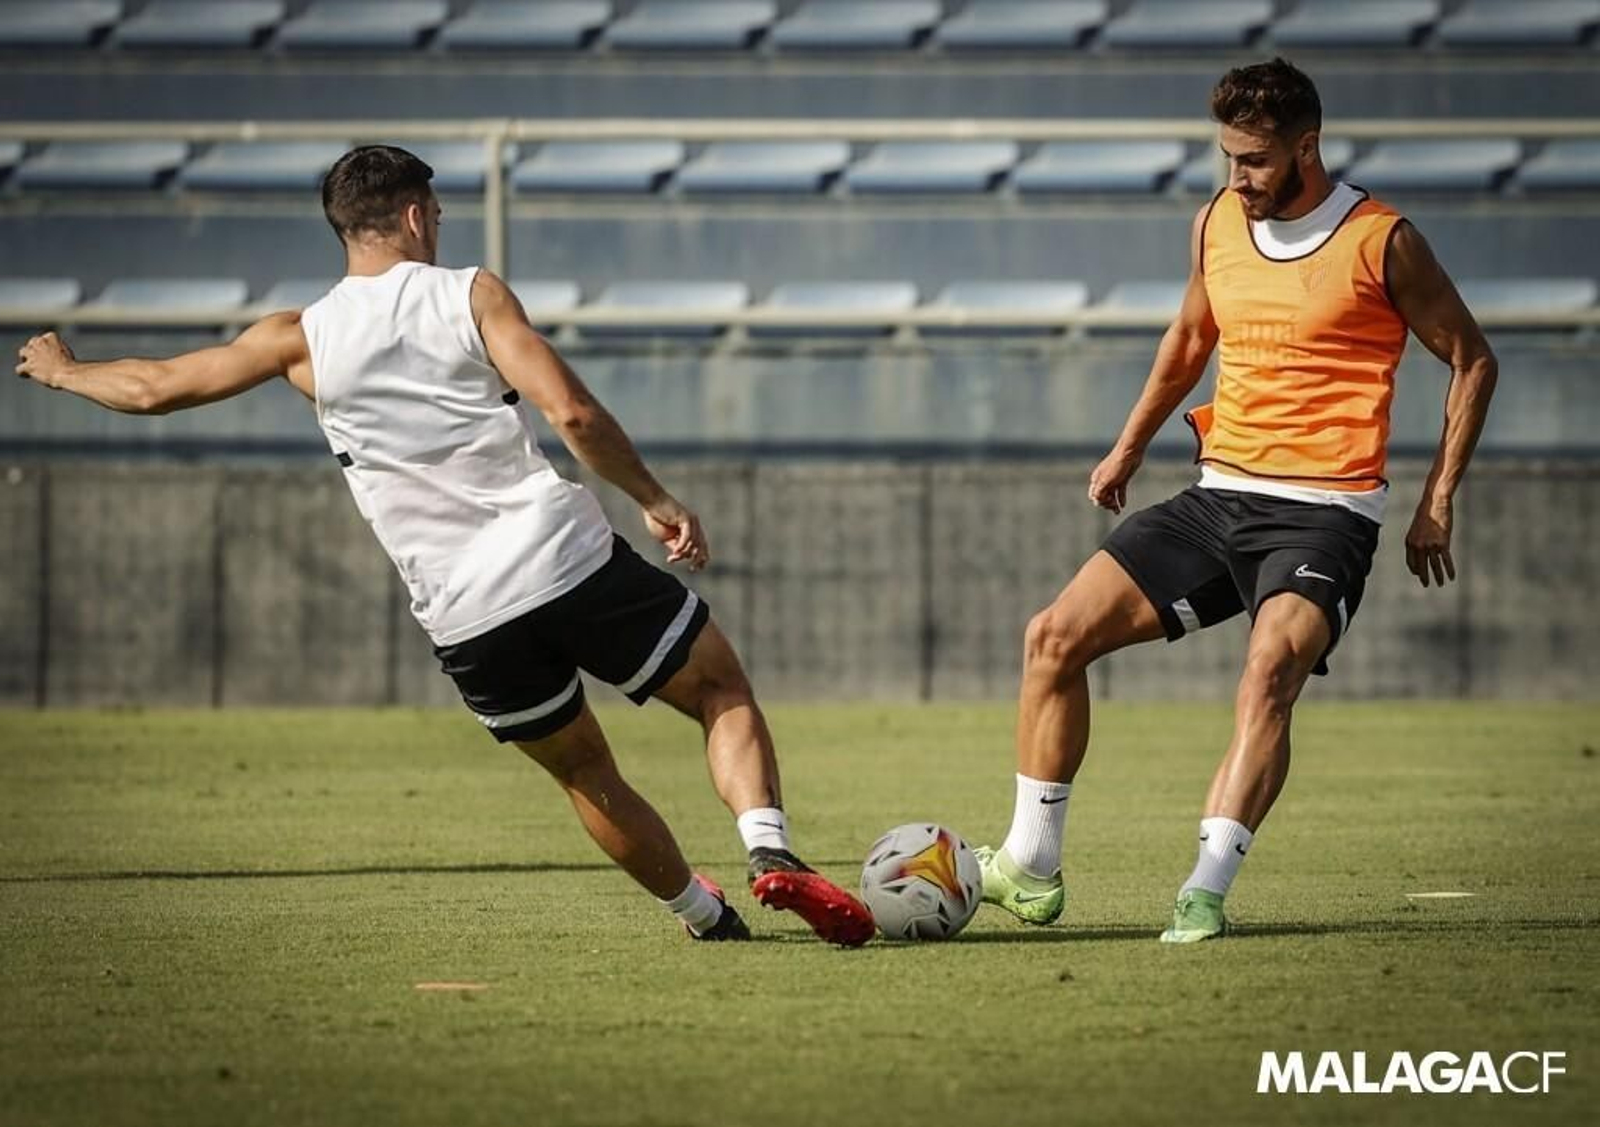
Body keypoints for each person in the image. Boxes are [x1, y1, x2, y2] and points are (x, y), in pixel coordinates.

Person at [15, 144, 874, 948]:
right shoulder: (470, 294)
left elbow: (157, 388)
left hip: (464, 615)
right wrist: (654, 498)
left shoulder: (299, 340)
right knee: (718, 684)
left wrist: (63, 370)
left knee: (585, 772)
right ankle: (769, 850)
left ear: (345, 228)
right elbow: (569, 412)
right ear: (419, 216)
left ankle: (703, 914)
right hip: (560, 558)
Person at [974, 58, 1498, 942]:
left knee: (1267, 676)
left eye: (1254, 160)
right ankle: (1030, 862)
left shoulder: (1381, 239)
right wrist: (1127, 447)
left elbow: (1473, 358)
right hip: (1217, 498)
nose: (1237, 178)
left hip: (1324, 513)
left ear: (1308, 147)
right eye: (1227, 157)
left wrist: (1437, 497)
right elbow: (1189, 337)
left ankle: (1205, 889)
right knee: (1052, 636)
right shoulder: (1218, 220)